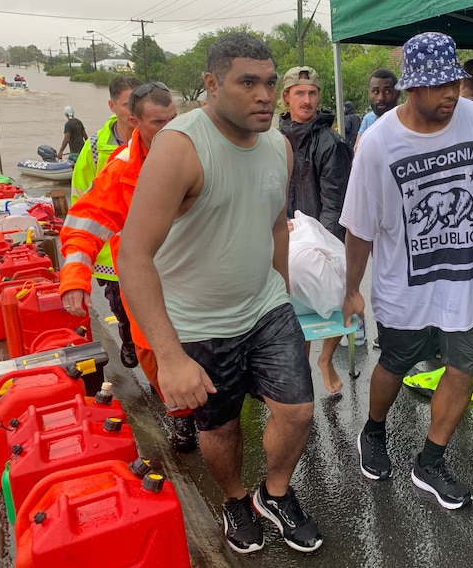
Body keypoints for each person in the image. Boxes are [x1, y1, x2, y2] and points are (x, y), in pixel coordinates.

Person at [118, 33, 322, 555]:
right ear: (211, 85)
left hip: (266, 307)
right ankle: (234, 499)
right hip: (199, 322)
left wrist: (286, 297)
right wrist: (169, 355)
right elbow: (134, 256)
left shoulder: (278, 144)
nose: (265, 95)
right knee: (222, 427)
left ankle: (273, 494)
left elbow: (277, 225)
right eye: (247, 82)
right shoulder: (181, 149)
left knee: (298, 411)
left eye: (271, 82)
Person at [342, 31, 473, 510]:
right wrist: (352, 289)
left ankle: (430, 461)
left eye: (454, 82)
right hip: (403, 285)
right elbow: (359, 228)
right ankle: (374, 431)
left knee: (464, 367)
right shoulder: (377, 144)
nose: (452, 94)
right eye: (439, 87)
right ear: (412, 88)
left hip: (465, 280)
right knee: (395, 363)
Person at [58, 83, 196, 452]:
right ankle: (181, 419)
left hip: (196, 271)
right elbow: (85, 221)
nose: (168, 130)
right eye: (157, 123)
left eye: (172, 120)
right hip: (144, 276)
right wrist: (75, 277)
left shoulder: (200, 150)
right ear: (135, 122)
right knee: (152, 350)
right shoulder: (121, 168)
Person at [280, 65, 353, 394]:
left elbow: (335, 199)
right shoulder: (272, 137)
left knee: (335, 300)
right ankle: (300, 375)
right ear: (286, 97)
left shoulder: (330, 142)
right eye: (299, 93)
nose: (307, 100)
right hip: (283, 231)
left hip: (322, 233)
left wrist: (323, 245)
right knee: (293, 311)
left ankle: (326, 358)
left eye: (312, 93)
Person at [70, 76, 142, 369]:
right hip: (111, 252)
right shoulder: (97, 148)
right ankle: (129, 342)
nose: (134, 111)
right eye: (127, 105)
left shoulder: (158, 140)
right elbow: (82, 201)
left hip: (151, 245)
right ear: (113, 106)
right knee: (122, 308)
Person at [354, 68, 400, 152]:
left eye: (387, 92)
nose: (381, 98)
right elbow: (357, 148)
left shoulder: (407, 121)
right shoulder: (368, 119)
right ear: (369, 93)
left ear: (397, 93)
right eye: (375, 92)